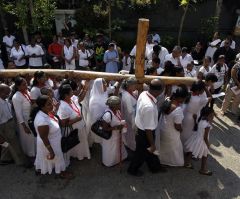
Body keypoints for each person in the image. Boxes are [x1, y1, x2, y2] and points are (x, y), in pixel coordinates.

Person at [128, 79, 167, 176]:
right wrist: (152, 144)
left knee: (150, 152)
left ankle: (155, 167)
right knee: (141, 153)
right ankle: (132, 170)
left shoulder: (144, 93)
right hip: (144, 133)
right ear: (159, 91)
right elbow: (148, 129)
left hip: (141, 127)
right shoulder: (149, 107)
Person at [33, 95, 71, 178]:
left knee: (47, 157)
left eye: (51, 102)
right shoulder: (42, 121)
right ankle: (62, 172)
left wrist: (55, 109)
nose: (52, 105)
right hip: (49, 143)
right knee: (57, 157)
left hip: (54, 141)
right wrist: (51, 151)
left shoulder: (46, 113)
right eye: (49, 104)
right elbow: (44, 138)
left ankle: (41, 169)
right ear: (42, 107)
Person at [57, 84, 90, 164]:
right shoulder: (63, 106)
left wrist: (85, 89)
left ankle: (80, 155)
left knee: (80, 142)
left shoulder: (72, 98)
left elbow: (80, 99)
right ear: (66, 95)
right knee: (74, 142)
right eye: (71, 90)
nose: (73, 91)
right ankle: (74, 156)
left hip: (79, 127)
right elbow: (63, 124)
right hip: (73, 130)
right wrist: (77, 119)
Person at [157, 86, 189, 167]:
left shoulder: (167, 99)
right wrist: (181, 130)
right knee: (174, 147)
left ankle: (162, 159)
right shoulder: (178, 110)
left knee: (164, 145)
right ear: (181, 98)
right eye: (184, 98)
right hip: (171, 132)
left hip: (163, 128)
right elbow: (177, 126)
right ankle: (173, 162)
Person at [0, 84, 28, 166]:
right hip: (4, 126)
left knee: (7, 144)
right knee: (14, 144)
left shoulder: (4, 100)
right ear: (0, 92)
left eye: (9, 93)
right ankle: (21, 162)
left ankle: (4, 159)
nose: (8, 95)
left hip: (9, 123)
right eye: (6, 93)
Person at [184, 107, 214, 176]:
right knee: (205, 155)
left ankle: (187, 163)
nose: (213, 117)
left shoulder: (200, 119)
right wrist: (208, 145)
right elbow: (205, 137)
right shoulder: (207, 125)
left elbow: (196, 125)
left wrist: (195, 119)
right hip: (202, 141)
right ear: (208, 116)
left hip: (196, 138)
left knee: (191, 150)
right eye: (212, 115)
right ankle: (203, 169)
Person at [181, 81, 211, 148]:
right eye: (203, 89)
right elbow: (210, 97)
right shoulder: (200, 99)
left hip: (185, 114)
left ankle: (181, 146)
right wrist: (206, 88)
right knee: (189, 134)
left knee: (183, 132)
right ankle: (187, 148)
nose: (203, 91)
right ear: (198, 90)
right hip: (192, 118)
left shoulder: (189, 94)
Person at [12, 77, 36, 157]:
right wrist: (24, 126)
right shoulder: (16, 97)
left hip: (31, 118)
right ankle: (29, 154)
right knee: (28, 138)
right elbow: (18, 113)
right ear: (18, 87)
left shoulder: (27, 92)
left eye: (26, 83)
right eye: (24, 84)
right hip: (24, 121)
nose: (26, 85)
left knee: (33, 137)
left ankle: (34, 152)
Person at [101, 96, 127, 167]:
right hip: (110, 136)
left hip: (117, 135)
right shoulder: (107, 115)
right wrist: (116, 127)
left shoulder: (117, 111)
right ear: (113, 105)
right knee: (111, 150)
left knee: (117, 148)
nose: (119, 105)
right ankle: (109, 163)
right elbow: (104, 128)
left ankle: (119, 159)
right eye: (118, 104)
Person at [121, 77, 138, 152]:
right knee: (130, 136)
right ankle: (130, 150)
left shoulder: (132, 93)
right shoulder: (126, 96)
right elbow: (130, 111)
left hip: (132, 117)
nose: (136, 86)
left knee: (130, 136)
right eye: (134, 85)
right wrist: (134, 123)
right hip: (130, 119)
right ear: (129, 86)